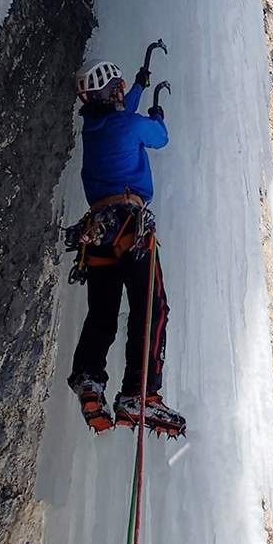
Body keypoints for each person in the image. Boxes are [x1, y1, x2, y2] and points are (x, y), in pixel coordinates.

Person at [67, 58, 186, 437]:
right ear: (110, 94)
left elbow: (121, 112)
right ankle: (141, 393)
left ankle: (89, 377)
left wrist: (137, 84)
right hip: (131, 227)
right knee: (152, 306)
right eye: (118, 90)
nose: (122, 95)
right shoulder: (129, 124)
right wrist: (157, 113)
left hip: (98, 234)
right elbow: (159, 136)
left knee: (102, 314)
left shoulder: (94, 126)